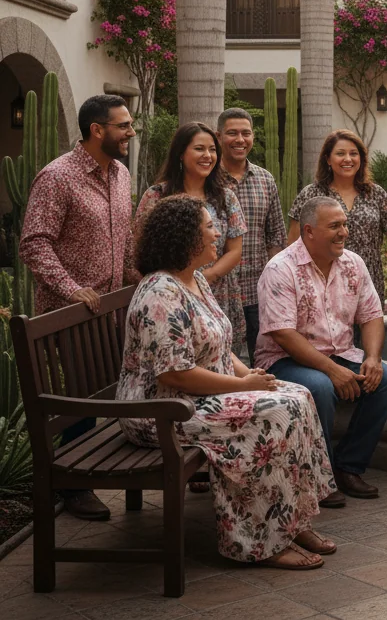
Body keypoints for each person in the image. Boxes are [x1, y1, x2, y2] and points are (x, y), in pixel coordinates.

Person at [118, 195, 338, 572]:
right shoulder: (159, 293)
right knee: (272, 416)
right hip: (160, 409)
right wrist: (241, 387)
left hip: (194, 397)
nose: (217, 233)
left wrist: (248, 376)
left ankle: (291, 521)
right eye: (209, 227)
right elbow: (174, 374)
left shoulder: (194, 280)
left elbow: (218, 344)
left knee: (299, 396)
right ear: (185, 237)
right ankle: (262, 541)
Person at [20, 93, 138, 521]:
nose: (130, 132)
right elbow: (34, 243)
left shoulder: (121, 173)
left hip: (109, 313)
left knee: (103, 393)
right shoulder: (57, 177)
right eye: (123, 126)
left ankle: (86, 475)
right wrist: (71, 289)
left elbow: (125, 236)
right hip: (68, 316)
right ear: (96, 130)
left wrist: (138, 278)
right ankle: (72, 485)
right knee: (79, 400)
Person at [257, 196, 387, 500]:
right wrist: (332, 370)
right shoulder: (280, 268)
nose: (344, 232)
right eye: (335, 226)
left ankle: (348, 467)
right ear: (309, 231)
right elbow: (283, 334)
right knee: (320, 387)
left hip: (340, 353)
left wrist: (373, 358)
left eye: (345, 224)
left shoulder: (353, 263)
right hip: (284, 359)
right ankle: (318, 478)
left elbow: (372, 316)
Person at [136, 122, 248, 356]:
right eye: (199, 149)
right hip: (169, 296)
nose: (208, 156)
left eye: (212, 149)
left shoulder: (226, 197)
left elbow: (235, 250)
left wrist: (204, 279)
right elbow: (141, 246)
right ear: (180, 153)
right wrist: (184, 284)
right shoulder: (157, 195)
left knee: (221, 357)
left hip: (218, 293)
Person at [288, 130, 387, 312]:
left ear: (361, 159)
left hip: (368, 283)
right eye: (340, 153)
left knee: (369, 327)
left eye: (353, 153)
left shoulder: (375, 194)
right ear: (328, 159)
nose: (348, 159)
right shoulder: (311, 194)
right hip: (322, 283)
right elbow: (294, 243)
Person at [217, 108, 287, 363]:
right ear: (218, 136)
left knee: (264, 361)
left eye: (245, 133)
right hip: (218, 291)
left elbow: (275, 235)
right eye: (232, 133)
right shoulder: (207, 180)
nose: (240, 139)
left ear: (253, 137)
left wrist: (275, 284)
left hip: (257, 290)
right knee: (222, 360)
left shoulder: (265, 180)